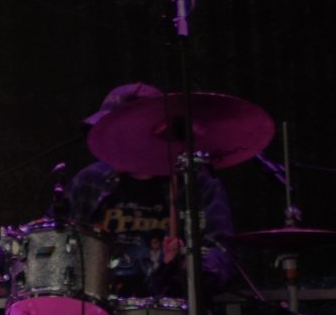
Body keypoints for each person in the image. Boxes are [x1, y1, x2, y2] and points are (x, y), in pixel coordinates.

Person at [68, 81, 237, 298]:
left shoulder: (196, 183)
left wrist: (187, 264)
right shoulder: (89, 181)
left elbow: (223, 255)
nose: (114, 140)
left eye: (122, 132)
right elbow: (56, 245)